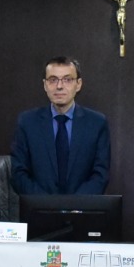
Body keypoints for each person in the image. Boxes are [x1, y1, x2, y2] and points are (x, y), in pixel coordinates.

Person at [10, 56, 110, 195]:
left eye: (68, 80)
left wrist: (73, 206)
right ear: (45, 85)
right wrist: (47, 205)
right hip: (38, 210)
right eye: (53, 80)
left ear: (79, 84)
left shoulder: (97, 123)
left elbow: (100, 174)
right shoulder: (27, 122)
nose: (59, 86)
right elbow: (18, 173)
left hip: (82, 211)